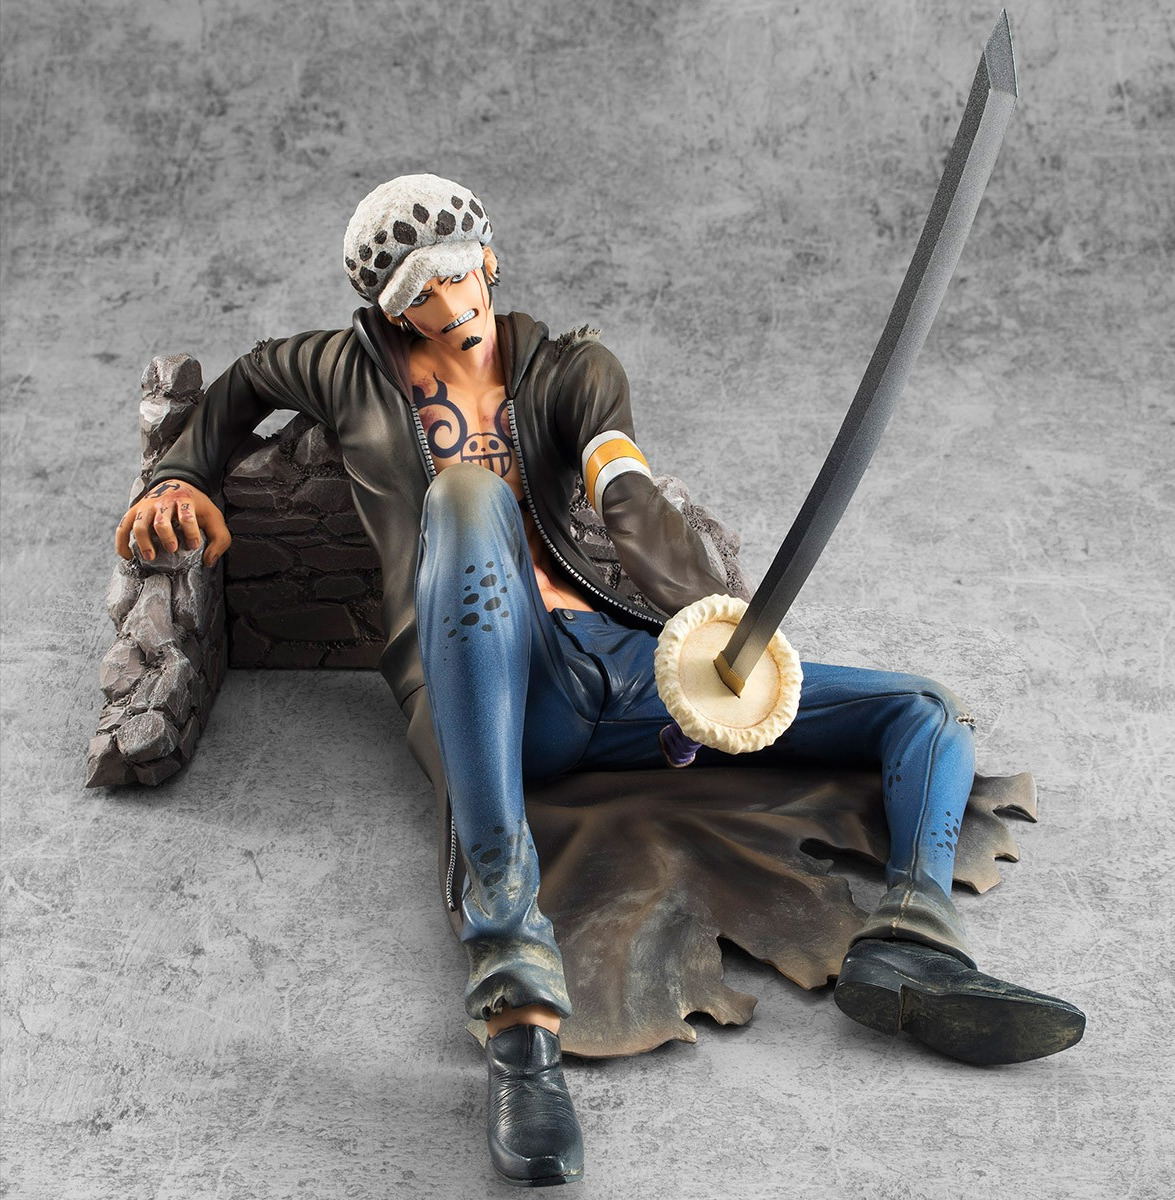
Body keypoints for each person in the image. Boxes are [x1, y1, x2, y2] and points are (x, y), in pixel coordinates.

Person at [116, 173, 1085, 1187]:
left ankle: (913, 942)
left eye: (458, 276)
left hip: (617, 663)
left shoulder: (569, 367)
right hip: (493, 684)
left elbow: (621, 489)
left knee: (920, 711)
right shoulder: (340, 368)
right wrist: (178, 475)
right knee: (464, 497)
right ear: (391, 309)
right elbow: (241, 387)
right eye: (420, 294)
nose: (449, 306)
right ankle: (517, 1008)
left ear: (489, 261)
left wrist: (712, 629)